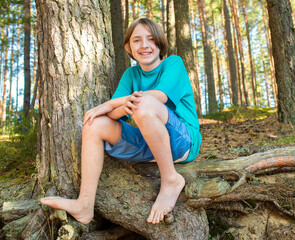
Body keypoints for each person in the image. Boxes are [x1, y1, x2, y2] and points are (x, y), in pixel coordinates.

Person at [40, 18, 202, 225]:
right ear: (128, 47)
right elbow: (113, 116)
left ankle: (171, 179)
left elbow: (158, 97)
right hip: (152, 144)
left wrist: (112, 104)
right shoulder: (131, 74)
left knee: (143, 105)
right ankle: (85, 205)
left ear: (159, 43)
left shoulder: (173, 63)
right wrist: (118, 106)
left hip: (182, 142)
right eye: (137, 40)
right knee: (94, 124)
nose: (144, 45)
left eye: (151, 39)